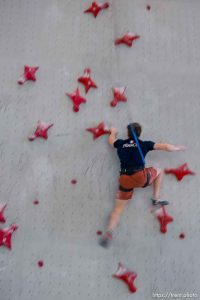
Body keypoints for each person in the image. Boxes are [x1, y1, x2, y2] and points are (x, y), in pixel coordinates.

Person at [99, 122, 185, 248]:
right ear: (139, 133)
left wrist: (113, 131)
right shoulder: (144, 144)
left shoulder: (121, 143)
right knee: (159, 170)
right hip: (140, 178)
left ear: (128, 133)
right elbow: (165, 147)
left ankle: (109, 232)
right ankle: (155, 198)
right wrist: (177, 148)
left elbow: (111, 141)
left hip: (124, 179)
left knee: (117, 210)